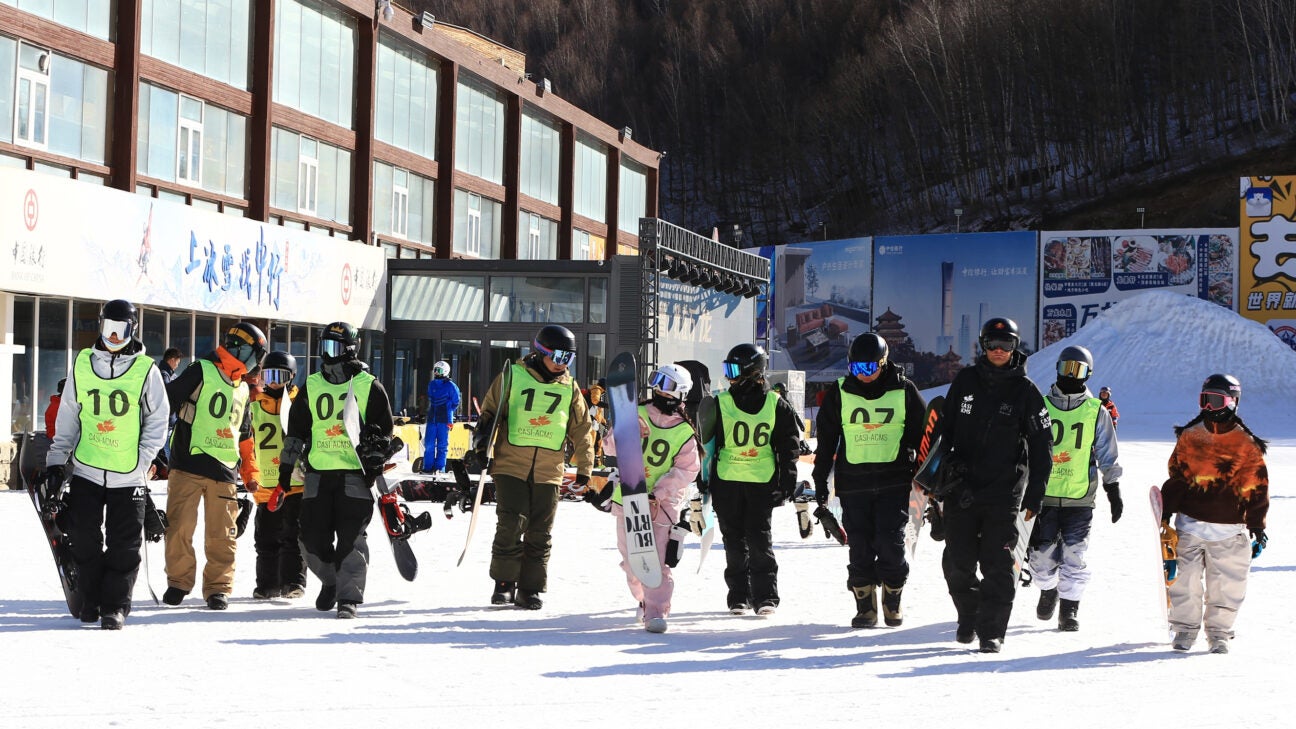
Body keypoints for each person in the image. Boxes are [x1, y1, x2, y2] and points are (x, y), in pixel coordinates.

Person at [40, 299, 169, 629]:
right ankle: (91, 599)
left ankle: (115, 606)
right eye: (108, 328)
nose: (113, 336)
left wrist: (142, 459)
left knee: (124, 544)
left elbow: (158, 420)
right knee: (83, 537)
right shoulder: (83, 363)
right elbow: (69, 415)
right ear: (100, 326)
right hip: (88, 468)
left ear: (132, 330)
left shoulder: (146, 370)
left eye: (120, 330)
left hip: (128, 475)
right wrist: (56, 462)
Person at [937, 317, 1053, 653]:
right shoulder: (965, 381)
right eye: (992, 344)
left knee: (997, 565)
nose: (999, 350)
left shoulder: (1026, 391)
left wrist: (1035, 494)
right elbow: (944, 433)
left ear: (1016, 347)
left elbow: (1043, 445)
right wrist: (936, 479)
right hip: (961, 488)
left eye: (1006, 344)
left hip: (1004, 492)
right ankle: (969, 614)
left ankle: (991, 630)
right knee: (957, 563)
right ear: (983, 346)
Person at [470, 324, 594, 610]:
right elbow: (490, 412)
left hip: (549, 470)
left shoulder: (570, 388)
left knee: (541, 531)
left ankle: (530, 588)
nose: (563, 364)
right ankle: (504, 584)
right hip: (511, 464)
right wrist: (481, 447)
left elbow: (582, 429)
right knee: (511, 524)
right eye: (559, 357)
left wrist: (585, 468)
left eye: (569, 358)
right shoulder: (513, 375)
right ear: (541, 352)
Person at [277, 322, 396, 619]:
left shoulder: (369, 385)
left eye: (335, 348)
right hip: (318, 473)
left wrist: (376, 453)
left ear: (350, 350)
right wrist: (286, 468)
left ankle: (348, 597)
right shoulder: (312, 384)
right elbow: (296, 431)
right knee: (310, 540)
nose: (328, 354)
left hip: (354, 474)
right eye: (325, 347)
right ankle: (332, 580)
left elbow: (384, 431)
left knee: (351, 540)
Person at [812, 333, 926, 628]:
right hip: (853, 484)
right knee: (859, 546)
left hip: (894, 482)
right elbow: (826, 443)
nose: (862, 374)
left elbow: (924, 435)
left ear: (883, 363)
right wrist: (821, 482)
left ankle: (892, 597)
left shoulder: (905, 390)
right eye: (855, 368)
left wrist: (925, 476)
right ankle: (865, 607)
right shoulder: (839, 392)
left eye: (869, 368)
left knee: (890, 543)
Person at [588, 363, 701, 633]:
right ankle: (643, 599)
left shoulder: (684, 431)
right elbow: (609, 447)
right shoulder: (636, 413)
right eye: (657, 381)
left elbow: (688, 470)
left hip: (662, 504)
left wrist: (658, 493)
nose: (660, 390)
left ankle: (656, 611)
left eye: (667, 385)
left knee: (655, 561)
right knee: (631, 562)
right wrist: (625, 431)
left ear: (680, 393)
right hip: (628, 497)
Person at [1160, 374, 1268, 654]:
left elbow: (1256, 486)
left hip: (1229, 530)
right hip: (1190, 525)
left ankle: (1219, 633)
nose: (1208, 407)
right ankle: (1185, 629)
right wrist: (1166, 513)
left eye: (1215, 401)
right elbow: (1177, 477)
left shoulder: (1245, 443)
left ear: (1232, 402)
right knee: (1184, 582)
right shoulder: (1191, 435)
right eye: (1204, 400)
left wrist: (1257, 525)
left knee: (1227, 585)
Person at [162, 321, 266, 610]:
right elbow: (167, 400)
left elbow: (245, 436)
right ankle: (178, 582)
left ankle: (218, 587)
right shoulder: (201, 369)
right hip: (188, 463)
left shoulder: (242, 388)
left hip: (224, 470)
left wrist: (251, 473)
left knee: (223, 534)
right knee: (179, 528)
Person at [1030, 346, 1122, 632]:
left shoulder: (1096, 411)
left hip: (1079, 496)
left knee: (1074, 554)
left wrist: (1113, 488)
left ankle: (1069, 608)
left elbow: (1107, 452)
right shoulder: (1041, 405)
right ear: (1057, 368)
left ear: (1088, 374)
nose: (1071, 375)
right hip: (1043, 496)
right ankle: (1048, 589)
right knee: (1041, 557)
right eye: (1066, 368)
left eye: (1078, 370)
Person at [706, 343, 801, 615]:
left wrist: (787, 481)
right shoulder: (720, 402)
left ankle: (766, 597)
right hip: (727, 482)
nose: (729, 377)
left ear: (752, 372)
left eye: (734, 371)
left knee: (759, 541)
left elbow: (788, 445)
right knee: (733, 543)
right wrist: (704, 482)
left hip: (761, 483)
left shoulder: (776, 404)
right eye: (727, 370)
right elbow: (709, 445)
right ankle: (739, 596)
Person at [249, 351, 307, 600]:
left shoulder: (299, 402)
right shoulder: (254, 404)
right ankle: (267, 584)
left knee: (293, 535)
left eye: (280, 377)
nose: (274, 382)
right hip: (266, 484)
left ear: (291, 377)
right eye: (269, 376)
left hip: (295, 483)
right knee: (266, 538)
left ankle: (293, 581)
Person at [422, 360, 461, 473]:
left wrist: (448, 410)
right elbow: (430, 397)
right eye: (435, 370)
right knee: (429, 444)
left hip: (444, 419)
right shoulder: (432, 384)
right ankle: (428, 467)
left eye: (438, 370)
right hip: (432, 418)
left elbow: (456, 401)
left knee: (442, 445)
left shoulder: (451, 386)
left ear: (445, 371)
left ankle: (439, 468)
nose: (436, 373)